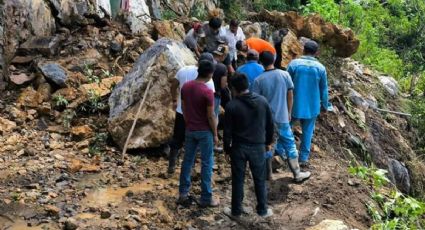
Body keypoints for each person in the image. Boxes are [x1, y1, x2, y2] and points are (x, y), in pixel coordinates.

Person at [252, 51, 311, 182]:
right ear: (274, 59)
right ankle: (297, 174)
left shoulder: (258, 80)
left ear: (260, 62)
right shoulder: (284, 75)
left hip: (266, 121)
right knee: (289, 144)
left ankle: (268, 175)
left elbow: (255, 102)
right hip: (282, 117)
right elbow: (290, 95)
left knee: (267, 145)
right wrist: (289, 112)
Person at [223, 73, 274, 218]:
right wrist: (268, 143)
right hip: (258, 146)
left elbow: (228, 132)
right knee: (259, 179)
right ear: (247, 85)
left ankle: (236, 211)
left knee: (238, 180)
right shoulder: (262, 101)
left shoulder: (231, 106)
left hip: (239, 148)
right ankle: (262, 210)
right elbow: (270, 125)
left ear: (233, 88)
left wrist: (227, 149)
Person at [178, 60, 220, 207]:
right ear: (210, 74)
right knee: (207, 163)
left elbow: (183, 108)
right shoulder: (207, 92)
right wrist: (215, 134)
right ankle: (206, 197)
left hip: (190, 129)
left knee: (187, 161)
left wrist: (188, 122)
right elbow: (210, 116)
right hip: (204, 131)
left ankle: (183, 193)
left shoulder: (186, 87)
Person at [168, 53, 216, 175]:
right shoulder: (208, 80)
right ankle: (191, 169)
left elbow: (173, 85)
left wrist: (174, 100)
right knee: (194, 143)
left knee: (177, 138)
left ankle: (171, 165)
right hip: (198, 117)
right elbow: (210, 105)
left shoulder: (183, 70)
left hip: (181, 111)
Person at [287, 40, 330, 167]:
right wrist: (325, 105)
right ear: (316, 53)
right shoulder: (321, 68)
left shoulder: (294, 64)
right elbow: (324, 89)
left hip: (293, 104)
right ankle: (303, 158)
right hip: (312, 106)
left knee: (286, 128)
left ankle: (282, 152)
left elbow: (286, 84)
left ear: (303, 50)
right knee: (308, 132)